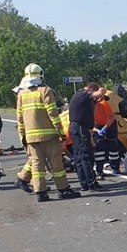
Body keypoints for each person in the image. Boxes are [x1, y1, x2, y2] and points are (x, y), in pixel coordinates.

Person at [16, 63, 80, 202]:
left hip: (31, 138)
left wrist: (22, 135)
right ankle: (63, 190)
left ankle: (41, 193)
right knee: (56, 164)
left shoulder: (22, 94)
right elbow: (52, 113)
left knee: (37, 165)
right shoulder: (45, 91)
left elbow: (20, 118)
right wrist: (61, 131)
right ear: (41, 75)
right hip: (49, 136)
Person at [68, 83, 108, 192]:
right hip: (80, 128)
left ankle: (84, 183)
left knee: (79, 157)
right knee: (86, 156)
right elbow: (101, 91)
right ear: (91, 89)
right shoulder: (83, 94)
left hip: (77, 128)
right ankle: (92, 183)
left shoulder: (82, 97)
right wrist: (100, 92)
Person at [93, 88, 120, 180]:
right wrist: (97, 130)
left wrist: (105, 127)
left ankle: (115, 167)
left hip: (110, 124)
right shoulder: (89, 107)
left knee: (113, 146)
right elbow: (89, 123)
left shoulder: (104, 104)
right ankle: (99, 170)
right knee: (99, 147)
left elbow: (111, 117)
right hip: (97, 125)